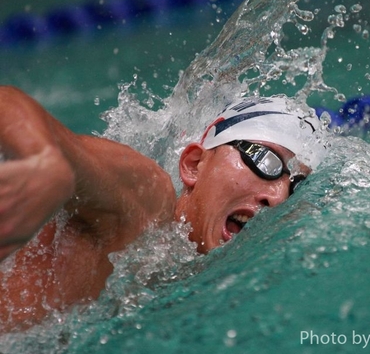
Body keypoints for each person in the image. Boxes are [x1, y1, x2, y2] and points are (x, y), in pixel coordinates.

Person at [0, 86, 325, 332]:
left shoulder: (225, 288)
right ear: (193, 164)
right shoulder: (147, 207)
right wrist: (45, 159)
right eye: (264, 160)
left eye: (295, 185)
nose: (278, 196)